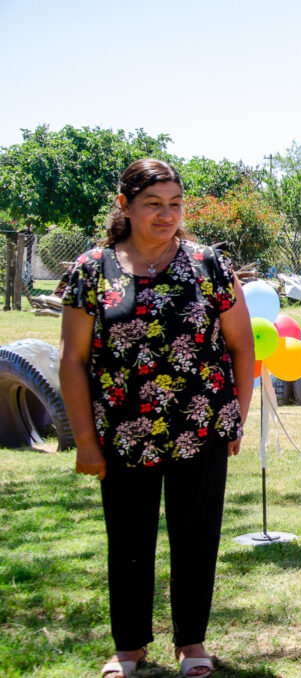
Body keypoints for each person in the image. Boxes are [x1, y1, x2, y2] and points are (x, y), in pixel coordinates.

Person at [59, 159, 254, 678]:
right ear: (125, 206)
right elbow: (73, 360)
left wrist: (235, 417)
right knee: (128, 539)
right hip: (123, 433)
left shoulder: (209, 264)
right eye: (153, 204)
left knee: (197, 537)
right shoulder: (92, 269)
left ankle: (192, 642)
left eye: (175, 204)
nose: (167, 215)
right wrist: (85, 441)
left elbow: (242, 346)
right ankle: (129, 647)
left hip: (201, 427)